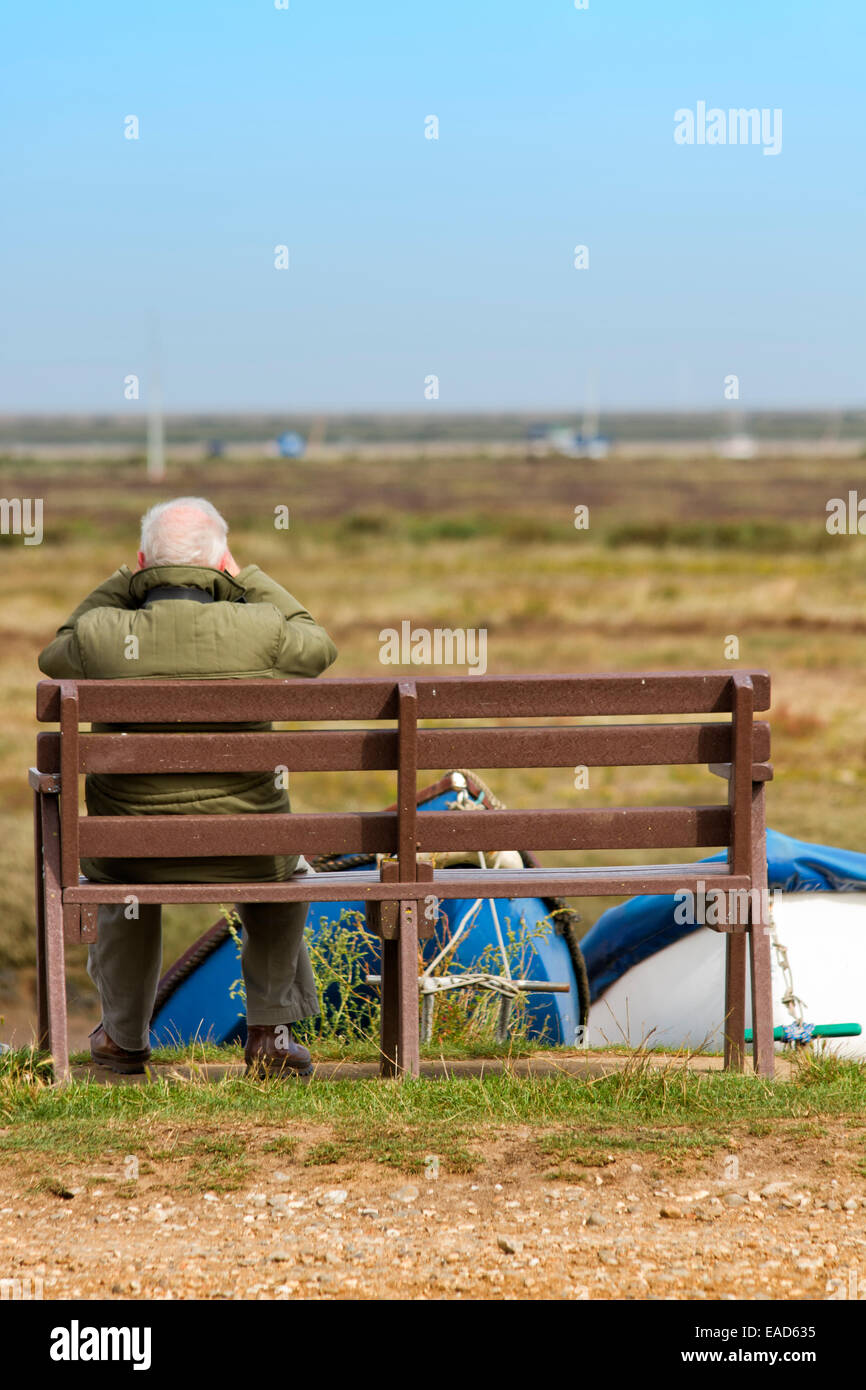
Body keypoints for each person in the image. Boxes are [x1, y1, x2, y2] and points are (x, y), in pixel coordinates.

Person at [38, 496, 337, 1078]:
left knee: (114, 875)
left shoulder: (103, 634)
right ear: (219, 562)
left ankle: (123, 1039)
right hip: (249, 854)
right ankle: (270, 1035)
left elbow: (56, 651)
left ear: (146, 563)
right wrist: (245, 576)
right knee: (285, 863)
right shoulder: (261, 627)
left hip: (131, 857)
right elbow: (317, 643)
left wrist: (124, 579)